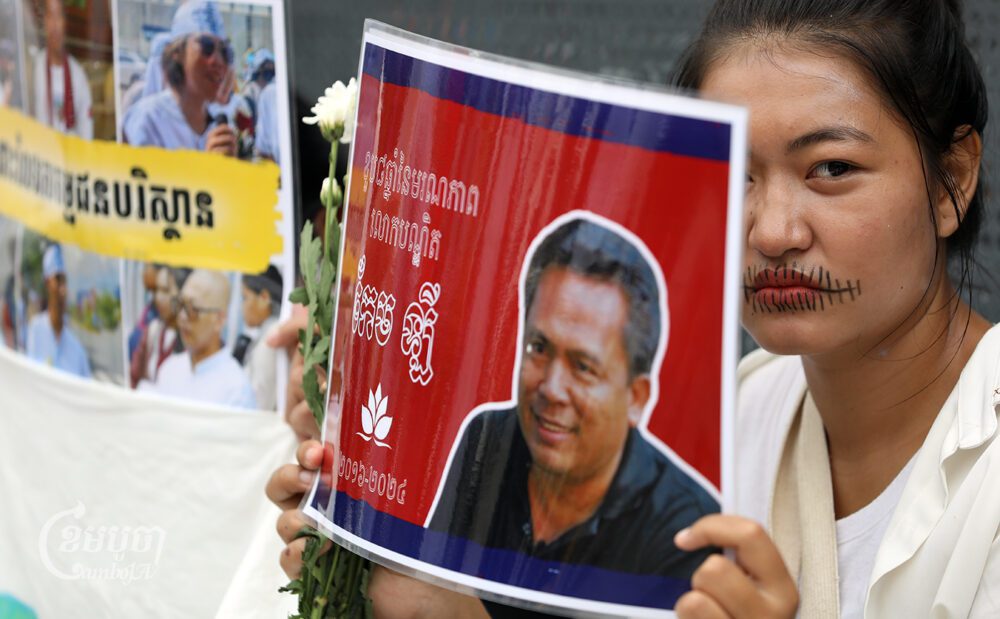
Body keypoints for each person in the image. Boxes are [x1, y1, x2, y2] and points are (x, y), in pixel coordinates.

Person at [269, 0, 999, 616]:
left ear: (952, 182)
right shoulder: (740, 418)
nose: (774, 230)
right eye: (734, 174)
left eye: (831, 169)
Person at [428, 218, 718, 579]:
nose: (551, 388)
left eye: (583, 367)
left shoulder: (686, 532)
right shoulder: (488, 442)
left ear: (637, 397)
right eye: (538, 348)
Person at [122, 0, 237, 156]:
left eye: (225, 52)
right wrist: (208, 167)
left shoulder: (218, 125)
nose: (218, 61)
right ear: (177, 53)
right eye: (206, 46)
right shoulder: (147, 120)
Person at [142, 269, 256, 409]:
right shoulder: (169, 370)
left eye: (192, 309)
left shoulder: (236, 390)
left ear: (219, 319)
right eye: (180, 305)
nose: (182, 317)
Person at [25, 244, 90, 378]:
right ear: (47, 283)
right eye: (58, 280)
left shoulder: (76, 348)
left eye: (65, 281)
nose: (63, 289)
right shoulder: (35, 330)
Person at [31, 0, 92, 139]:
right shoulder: (34, 69)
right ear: (44, 22)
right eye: (50, 16)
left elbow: (87, 132)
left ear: (65, 22)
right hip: (38, 156)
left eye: (59, 16)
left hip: (70, 157)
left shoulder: (78, 76)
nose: (55, 25)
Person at [130, 265, 187, 388]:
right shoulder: (152, 330)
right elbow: (134, 377)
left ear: (184, 294)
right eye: (156, 290)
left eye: (165, 290)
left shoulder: (192, 340)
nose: (158, 297)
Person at [235, 265, 282, 411]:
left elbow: (261, 405)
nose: (242, 306)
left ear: (264, 298)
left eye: (245, 297)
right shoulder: (267, 334)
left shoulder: (270, 338)